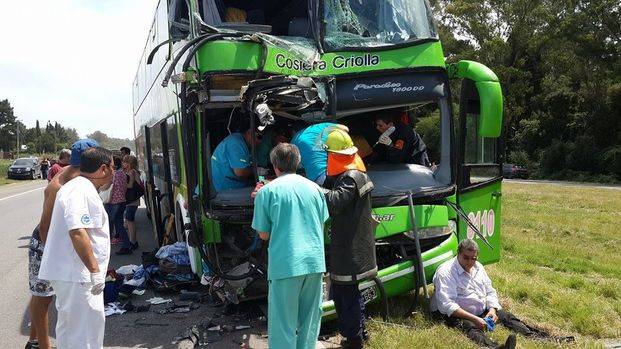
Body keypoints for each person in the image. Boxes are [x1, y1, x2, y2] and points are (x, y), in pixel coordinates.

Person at [252, 143, 329, 349]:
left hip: (286, 264)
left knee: (282, 322)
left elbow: (264, 234)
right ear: (298, 163)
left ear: (275, 165)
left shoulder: (266, 192)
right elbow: (320, 224)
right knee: (310, 319)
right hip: (314, 262)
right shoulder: (315, 189)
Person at [38, 146, 113, 349]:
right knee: (85, 335)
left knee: (72, 332)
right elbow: (77, 231)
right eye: (113, 167)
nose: (114, 173)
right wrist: (95, 271)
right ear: (104, 169)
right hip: (79, 276)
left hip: (75, 275)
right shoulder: (80, 190)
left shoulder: (80, 187)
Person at [26, 139, 99, 349]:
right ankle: (42, 345)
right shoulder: (59, 185)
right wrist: (55, 254)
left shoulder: (78, 177)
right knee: (43, 296)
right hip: (44, 244)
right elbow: (44, 227)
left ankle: (34, 340)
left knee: (47, 296)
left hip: (58, 242)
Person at [431, 239, 562, 349]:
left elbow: (489, 291)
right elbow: (447, 305)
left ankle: (541, 336)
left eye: (474, 258)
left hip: (480, 310)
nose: (470, 262)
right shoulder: (446, 272)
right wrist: (475, 319)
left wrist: (492, 310)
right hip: (454, 314)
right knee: (469, 326)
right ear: (458, 253)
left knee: (506, 316)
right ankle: (495, 347)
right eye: (466, 258)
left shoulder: (478, 267)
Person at [322, 128, 377, 349]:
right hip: (353, 244)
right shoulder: (356, 173)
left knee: (346, 293)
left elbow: (335, 202)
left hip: (350, 247)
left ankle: (353, 339)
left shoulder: (350, 178)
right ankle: (359, 332)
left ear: (334, 155)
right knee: (350, 291)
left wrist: (315, 190)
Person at [210, 122, 262, 192]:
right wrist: (257, 171)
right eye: (259, 137)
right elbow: (240, 172)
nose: (260, 142)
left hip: (232, 185)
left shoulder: (245, 144)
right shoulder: (236, 143)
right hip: (222, 189)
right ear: (250, 132)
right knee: (259, 194)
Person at [107, 155, 132, 255]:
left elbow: (110, 187)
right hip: (122, 201)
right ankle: (127, 245)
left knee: (109, 224)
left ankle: (105, 249)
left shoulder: (112, 175)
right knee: (119, 224)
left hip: (113, 202)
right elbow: (126, 187)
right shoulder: (122, 173)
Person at [122, 155, 143, 251]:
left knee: (129, 220)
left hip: (132, 200)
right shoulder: (135, 171)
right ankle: (133, 241)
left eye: (125, 162)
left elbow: (130, 185)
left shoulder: (131, 172)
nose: (123, 163)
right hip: (134, 200)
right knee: (130, 220)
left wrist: (121, 184)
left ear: (129, 164)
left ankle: (133, 241)